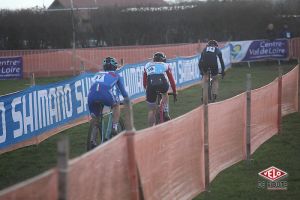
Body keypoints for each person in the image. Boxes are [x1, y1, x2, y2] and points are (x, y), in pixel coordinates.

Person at [88, 57, 129, 148]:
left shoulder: (97, 74)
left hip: (91, 96)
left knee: (96, 119)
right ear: (115, 67)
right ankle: (114, 127)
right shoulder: (116, 75)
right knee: (116, 105)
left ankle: (92, 140)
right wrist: (127, 100)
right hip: (105, 94)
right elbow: (123, 92)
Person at [143, 52, 177, 126]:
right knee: (165, 93)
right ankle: (166, 111)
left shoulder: (147, 65)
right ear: (164, 60)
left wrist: (146, 90)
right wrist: (174, 92)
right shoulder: (165, 65)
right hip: (162, 84)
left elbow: (144, 81)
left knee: (151, 110)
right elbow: (171, 80)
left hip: (150, 86)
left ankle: (150, 130)